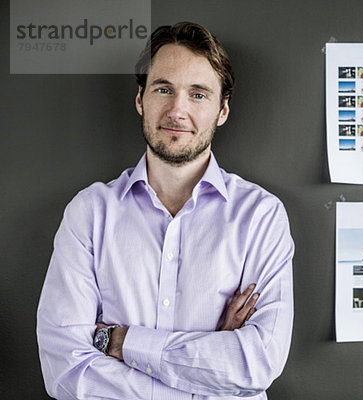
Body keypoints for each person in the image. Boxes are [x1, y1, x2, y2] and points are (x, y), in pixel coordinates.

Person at [37, 22, 294, 400]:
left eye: (198, 94)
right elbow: (66, 372)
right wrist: (208, 367)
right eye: (163, 89)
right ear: (141, 99)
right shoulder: (89, 214)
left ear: (222, 110)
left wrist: (121, 341)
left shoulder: (261, 217)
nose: (177, 110)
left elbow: (257, 363)